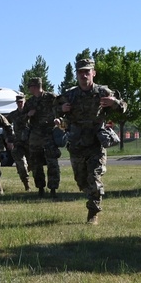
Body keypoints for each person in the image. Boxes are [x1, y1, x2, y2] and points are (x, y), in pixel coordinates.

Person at [54, 58, 127, 224]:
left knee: (94, 179)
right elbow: (54, 109)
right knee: (81, 181)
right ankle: (91, 195)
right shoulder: (69, 94)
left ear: (93, 73)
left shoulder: (102, 91)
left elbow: (123, 106)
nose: (84, 75)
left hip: (95, 142)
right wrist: (61, 109)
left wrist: (114, 102)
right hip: (77, 143)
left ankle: (93, 213)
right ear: (77, 74)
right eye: (80, 72)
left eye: (87, 71)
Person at [24, 77, 62, 198]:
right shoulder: (30, 102)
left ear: (34, 87)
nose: (29, 89)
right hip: (35, 136)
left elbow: (63, 109)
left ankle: (53, 189)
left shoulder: (52, 97)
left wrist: (60, 119)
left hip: (49, 134)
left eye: (30, 86)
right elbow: (21, 119)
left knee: (52, 162)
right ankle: (40, 188)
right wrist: (28, 115)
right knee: (36, 163)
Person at [7, 94, 32, 191]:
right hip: (18, 143)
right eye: (18, 102)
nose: (20, 104)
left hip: (31, 143)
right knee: (21, 163)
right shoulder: (13, 115)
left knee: (32, 164)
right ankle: (27, 185)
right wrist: (9, 139)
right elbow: (6, 125)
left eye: (22, 102)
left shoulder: (31, 112)